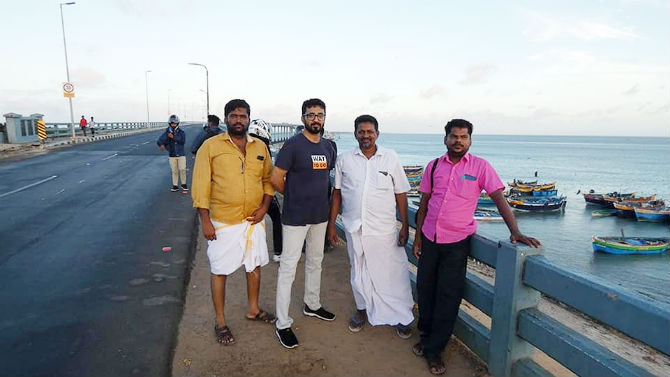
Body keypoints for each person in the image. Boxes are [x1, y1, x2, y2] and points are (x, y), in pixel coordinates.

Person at [412, 119, 541, 375]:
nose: (458, 141)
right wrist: (417, 237)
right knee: (425, 289)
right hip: (429, 237)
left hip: (457, 242)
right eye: (453, 136)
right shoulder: (434, 165)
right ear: (445, 138)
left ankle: (435, 350)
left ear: (470, 140)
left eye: (463, 137)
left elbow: (499, 199)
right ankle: (425, 335)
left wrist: (515, 232)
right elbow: (424, 202)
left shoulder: (481, 167)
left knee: (448, 296)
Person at [191, 99, 277, 346]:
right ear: (226, 118)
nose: (238, 120)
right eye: (233, 116)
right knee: (219, 270)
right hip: (222, 221)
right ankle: (220, 321)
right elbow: (200, 185)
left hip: (253, 220)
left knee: (254, 266)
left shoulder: (260, 146)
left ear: (249, 118)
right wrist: (205, 221)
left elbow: (267, 181)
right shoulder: (211, 146)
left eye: (243, 116)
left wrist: (264, 209)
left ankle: (253, 309)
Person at [327, 114, 414, 338]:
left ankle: (401, 315)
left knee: (394, 273)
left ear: (377, 133)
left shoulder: (390, 158)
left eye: (370, 131)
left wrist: (405, 226)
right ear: (355, 133)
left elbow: (401, 193)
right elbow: (337, 194)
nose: (366, 135)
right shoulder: (344, 159)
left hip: (384, 230)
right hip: (355, 228)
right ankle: (362, 310)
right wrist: (331, 226)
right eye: (361, 131)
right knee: (359, 272)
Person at [271, 98, 337, 349]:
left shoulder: (329, 147)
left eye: (320, 114)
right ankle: (282, 323)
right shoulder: (292, 145)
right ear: (303, 119)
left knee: (315, 262)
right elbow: (276, 177)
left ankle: (312, 304)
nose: (316, 119)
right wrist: (294, 195)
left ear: (324, 118)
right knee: (288, 268)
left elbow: (325, 178)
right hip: (296, 217)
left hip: (319, 216)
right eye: (311, 115)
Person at [248, 119, 283, 263]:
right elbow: (269, 173)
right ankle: (278, 252)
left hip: (248, 191)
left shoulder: (244, 143)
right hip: (263, 192)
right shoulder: (263, 147)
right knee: (277, 219)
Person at [157, 114, 188, 192]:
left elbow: (182, 141)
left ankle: (183, 184)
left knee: (182, 169)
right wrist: (161, 145)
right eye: (172, 123)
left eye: (175, 123)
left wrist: (173, 137)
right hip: (172, 155)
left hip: (181, 154)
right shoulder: (167, 132)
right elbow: (159, 140)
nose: (173, 125)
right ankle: (175, 186)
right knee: (174, 171)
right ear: (170, 124)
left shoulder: (181, 132)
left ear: (177, 123)